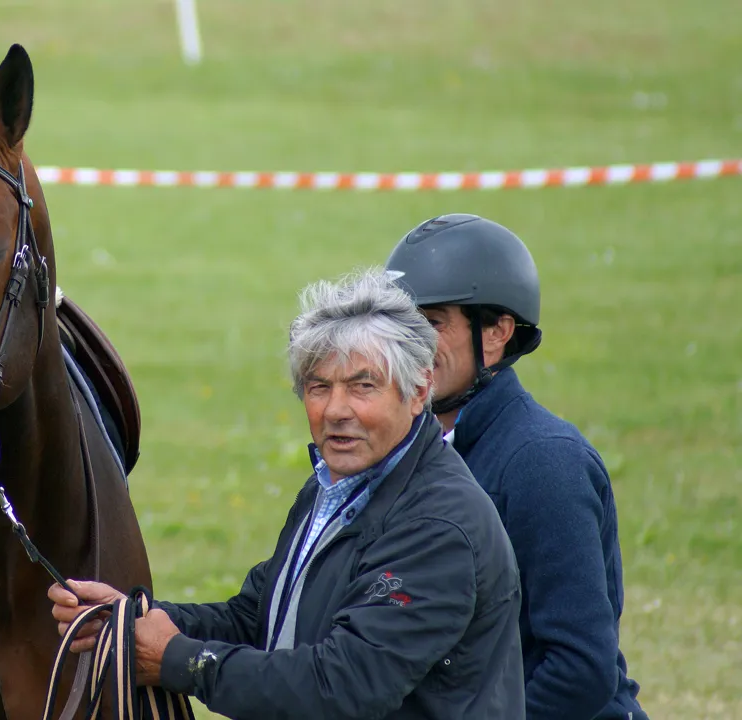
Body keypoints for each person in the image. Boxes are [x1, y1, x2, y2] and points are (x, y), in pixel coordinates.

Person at [50, 268, 525, 719]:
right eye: (319, 387)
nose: (336, 410)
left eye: (363, 386)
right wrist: (132, 620)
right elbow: (260, 618)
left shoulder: (437, 528)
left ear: (418, 390)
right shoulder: (333, 485)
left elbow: (341, 688)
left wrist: (177, 660)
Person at [384, 213, 647, 720]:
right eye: (398, 325)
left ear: (498, 331)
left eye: (431, 324)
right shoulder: (408, 449)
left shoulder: (544, 463)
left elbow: (580, 669)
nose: (406, 346)